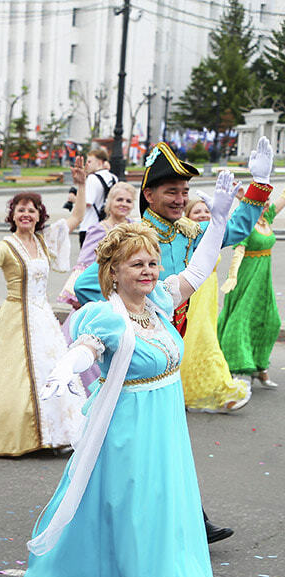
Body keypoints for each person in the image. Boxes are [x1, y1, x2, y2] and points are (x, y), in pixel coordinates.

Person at [20, 171, 240, 577]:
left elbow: (200, 270)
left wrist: (221, 219)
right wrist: (63, 368)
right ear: (112, 272)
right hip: (126, 436)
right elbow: (85, 349)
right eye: (136, 264)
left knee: (160, 524)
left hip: (167, 435)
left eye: (152, 262)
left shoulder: (159, 303)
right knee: (136, 524)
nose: (148, 270)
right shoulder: (107, 315)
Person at [72, 139, 277, 545]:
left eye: (185, 192)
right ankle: (124, 527)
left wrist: (259, 184)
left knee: (167, 441)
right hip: (137, 360)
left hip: (170, 351)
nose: (181, 199)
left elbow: (231, 230)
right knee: (134, 449)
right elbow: (84, 285)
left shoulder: (188, 232)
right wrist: (123, 323)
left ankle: (180, 519)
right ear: (148, 195)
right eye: (172, 192)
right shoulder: (133, 239)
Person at [0, 160, 88, 457]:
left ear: (39, 215)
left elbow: (77, 217)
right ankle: (16, 434)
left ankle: (56, 432)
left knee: (52, 372)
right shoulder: (6, 244)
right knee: (12, 378)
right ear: (13, 216)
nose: (26, 214)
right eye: (21, 210)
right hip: (15, 317)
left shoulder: (44, 242)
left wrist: (81, 184)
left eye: (31, 210)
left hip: (43, 319)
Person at [178, 198, 251, 411]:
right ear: (188, 216)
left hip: (208, 298)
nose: (203, 215)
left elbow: (237, 228)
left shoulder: (213, 235)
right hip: (194, 297)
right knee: (204, 342)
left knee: (200, 343)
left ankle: (185, 392)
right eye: (197, 212)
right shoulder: (188, 238)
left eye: (206, 211)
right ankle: (225, 391)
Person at [216, 188, 285, 390]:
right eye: (260, 203)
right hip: (247, 278)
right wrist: (232, 277)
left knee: (271, 322)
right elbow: (238, 253)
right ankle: (236, 367)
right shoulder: (246, 226)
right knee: (240, 322)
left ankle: (260, 367)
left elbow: (281, 201)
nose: (265, 206)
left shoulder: (267, 218)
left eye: (266, 203)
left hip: (263, 279)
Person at [75, 148, 116, 247]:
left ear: (100, 162)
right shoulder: (114, 178)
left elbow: (87, 202)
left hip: (89, 226)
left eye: (89, 161)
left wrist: (73, 199)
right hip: (109, 226)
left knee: (88, 261)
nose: (87, 165)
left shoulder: (92, 178)